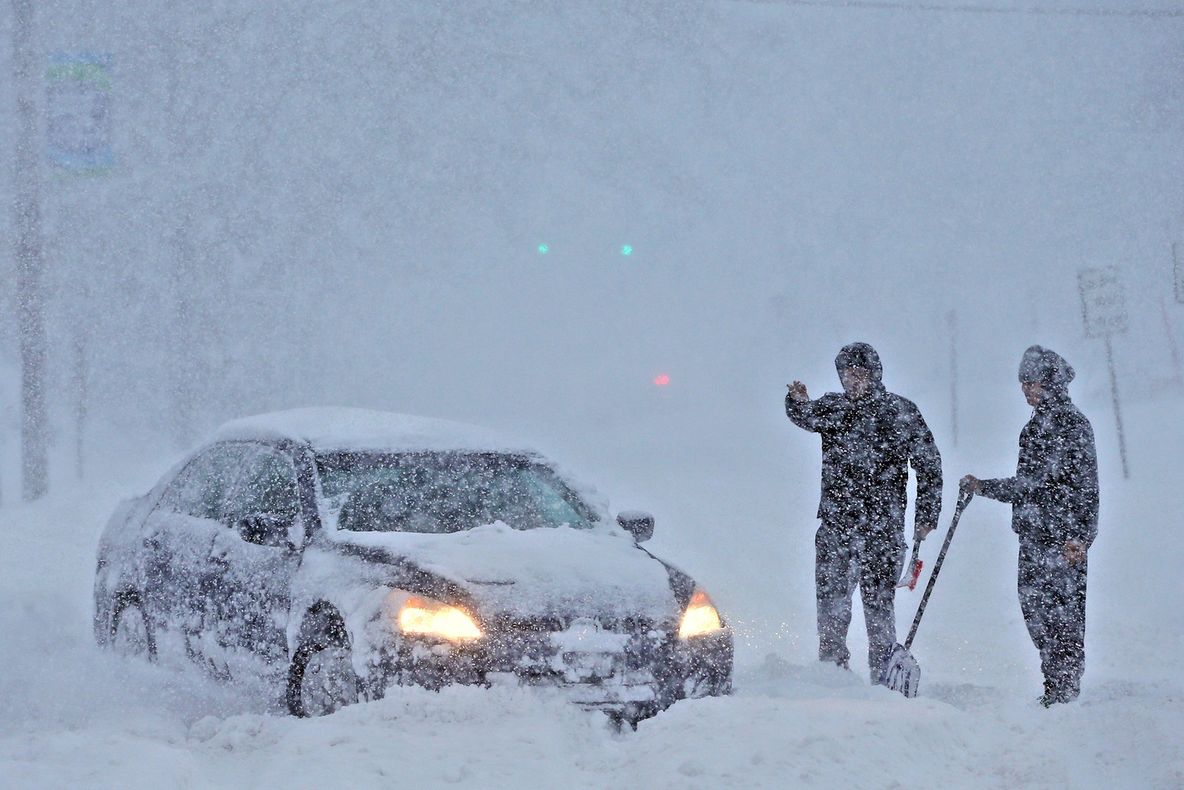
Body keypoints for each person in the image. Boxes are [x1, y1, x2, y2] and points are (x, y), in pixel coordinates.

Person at [787, 342, 943, 681]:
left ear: (875, 374)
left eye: (860, 373)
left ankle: (881, 677)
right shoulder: (834, 408)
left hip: (882, 530)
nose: (853, 380)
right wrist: (796, 401)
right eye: (847, 374)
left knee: (878, 609)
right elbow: (805, 415)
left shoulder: (900, 412)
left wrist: (927, 516)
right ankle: (831, 673)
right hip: (835, 527)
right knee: (831, 607)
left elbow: (929, 465)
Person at [961, 345, 1098, 707]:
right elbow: (1029, 485)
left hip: (1063, 541)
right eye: (1023, 384)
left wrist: (1082, 538)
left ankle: (1064, 688)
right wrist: (983, 486)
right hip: (1034, 537)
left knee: (1064, 617)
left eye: (1032, 383)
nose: (1026, 390)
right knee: (1036, 612)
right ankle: (1055, 680)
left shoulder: (1073, 426)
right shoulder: (1033, 428)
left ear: (1050, 382)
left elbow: (1087, 487)